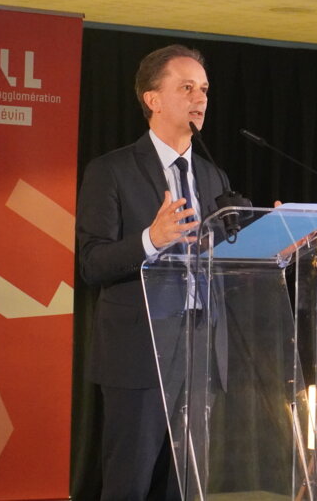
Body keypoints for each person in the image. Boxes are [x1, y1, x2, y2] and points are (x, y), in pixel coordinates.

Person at [77, 44, 231, 500]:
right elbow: (91, 262)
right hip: (139, 350)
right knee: (129, 483)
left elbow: (223, 258)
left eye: (204, 89)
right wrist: (152, 238)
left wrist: (276, 244)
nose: (200, 98)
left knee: (186, 487)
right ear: (153, 99)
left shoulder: (214, 177)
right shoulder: (111, 171)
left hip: (201, 349)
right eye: (186, 88)